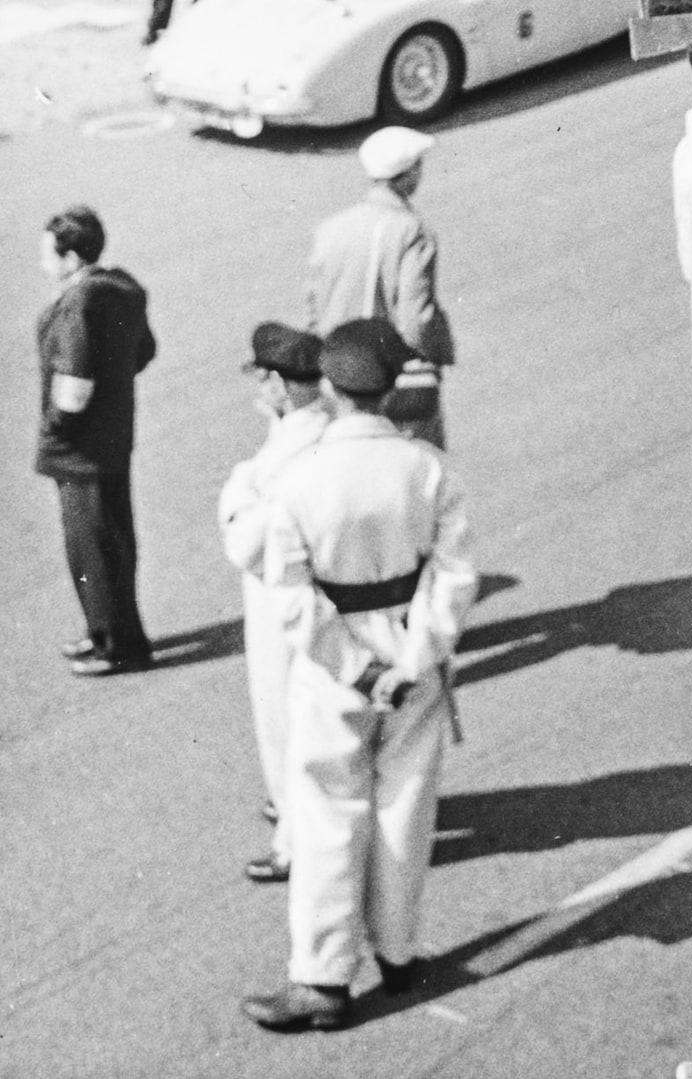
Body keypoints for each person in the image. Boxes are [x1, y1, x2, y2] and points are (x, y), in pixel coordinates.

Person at [241, 319, 477, 1033]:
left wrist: (357, 666)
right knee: (405, 806)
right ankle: (400, 954)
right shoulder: (429, 467)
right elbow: (456, 575)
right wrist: (411, 658)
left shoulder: (300, 478)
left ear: (336, 392)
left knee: (326, 815)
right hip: (413, 654)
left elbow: (289, 593)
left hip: (333, 663)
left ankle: (322, 977)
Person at [216, 322, 330, 883]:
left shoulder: (290, 448)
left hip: (280, 598)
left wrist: (239, 491)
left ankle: (295, 836)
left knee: (283, 715)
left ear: (280, 384)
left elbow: (244, 540)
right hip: (322, 595)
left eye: (261, 378)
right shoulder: (320, 425)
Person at [35, 205, 156, 675]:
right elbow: (143, 351)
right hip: (113, 439)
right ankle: (105, 629)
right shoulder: (122, 289)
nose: (43, 262)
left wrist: (54, 428)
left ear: (70, 257)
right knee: (110, 543)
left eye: (48, 253)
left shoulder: (78, 303)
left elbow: (73, 387)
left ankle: (117, 645)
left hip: (80, 451)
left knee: (93, 550)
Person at [306, 129, 455, 451]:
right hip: (389, 375)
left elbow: (314, 307)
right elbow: (417, 318)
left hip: (341, 376)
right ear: (410, 174)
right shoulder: (410, 230)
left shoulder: (330, 228)